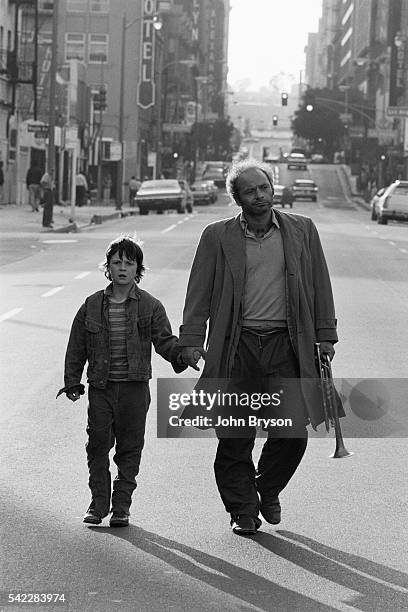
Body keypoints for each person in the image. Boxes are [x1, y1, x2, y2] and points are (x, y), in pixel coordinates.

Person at [179, 159, 338, 536]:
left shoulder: (302, 230)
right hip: (238, 347)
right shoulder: (217, 237)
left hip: (287, 346)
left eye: (264, 187)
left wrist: (325, 334)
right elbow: (198, 292)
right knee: (235, 434)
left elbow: (319, 283)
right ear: (237, 199)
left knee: (292, 434)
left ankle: (265, 488)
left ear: (272, 188)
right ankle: (243, 510)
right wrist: (190, 341)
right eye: (250, 191)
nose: (260, 196)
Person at [57, 236, 187, 527]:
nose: (123, 267)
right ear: (108, 267)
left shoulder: (150, 306)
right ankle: (97, 503)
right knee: (97, 445)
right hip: (101, 388)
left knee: (129, 448)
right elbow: (76, 346)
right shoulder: (91, 305)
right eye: (117, 262)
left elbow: (165, 342)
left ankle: (121, 507)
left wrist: (183, 355)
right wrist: (72, 381)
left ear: (138, 268)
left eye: (129, 263)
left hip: (134, 389)